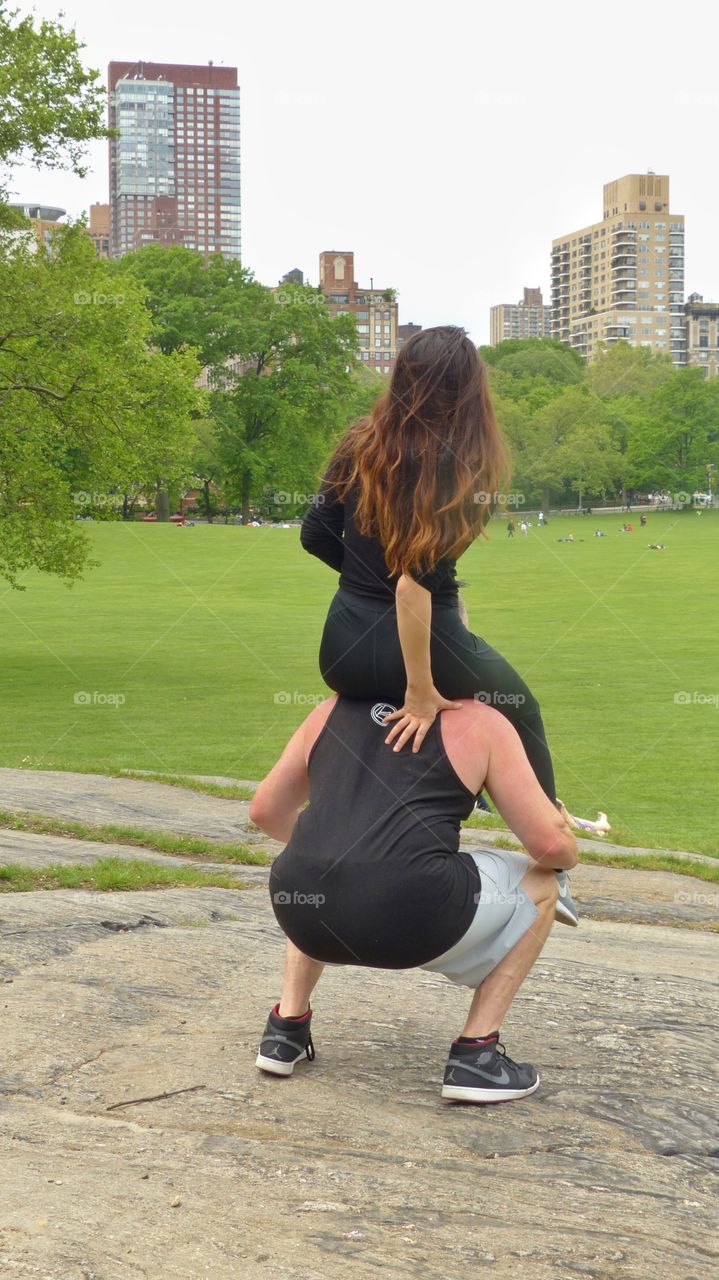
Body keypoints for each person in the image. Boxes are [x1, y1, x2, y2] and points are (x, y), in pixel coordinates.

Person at [250, 694, 578, 1104]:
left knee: (319, 866)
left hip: (303, 918)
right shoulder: (481, 721)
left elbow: (264, 812)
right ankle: (476, 1057)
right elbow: (552, 849)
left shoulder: (330, 709)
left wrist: (351, 851)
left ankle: (284, 1032)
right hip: (414, 920)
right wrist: (563, 829)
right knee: (544, 885)